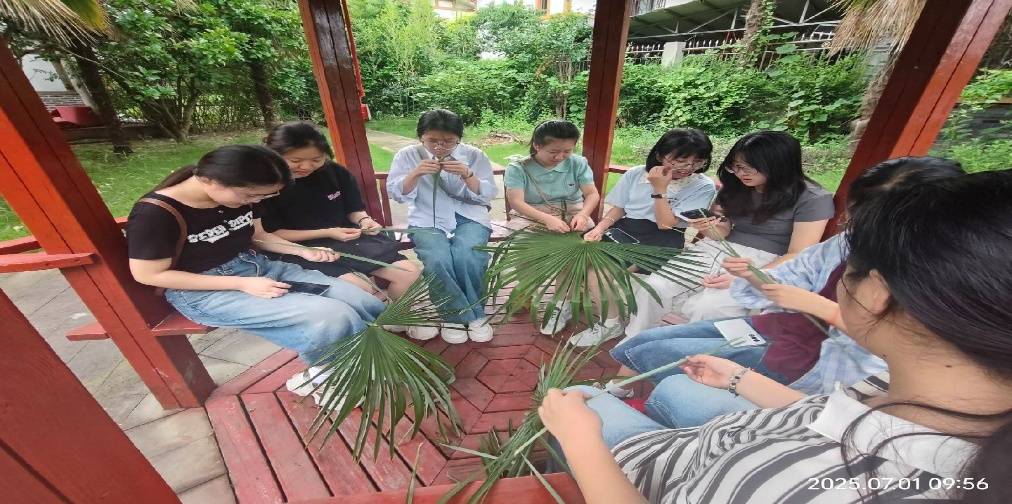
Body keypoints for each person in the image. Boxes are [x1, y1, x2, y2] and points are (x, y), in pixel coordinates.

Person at [540, 169, 1012, 504]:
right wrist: (742, 379)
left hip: (679, 473)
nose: (845, 241)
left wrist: (581, 441)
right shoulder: (932, 387)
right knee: (662, 372)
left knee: (578, 403)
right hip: (753, 417)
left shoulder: (805, 484)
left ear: (877, 294)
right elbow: (836, 413)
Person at [606, 157, 965, 430]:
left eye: (867, 217)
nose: (851, 224)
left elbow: (894, 356)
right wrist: (753, 276)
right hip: (775, 328)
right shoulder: (847, 241)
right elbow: (791, 274)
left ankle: (663, 411)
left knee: (669, 371)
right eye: (855, 213)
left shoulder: (940, 276)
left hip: (809, 364)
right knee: (640, 345)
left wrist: (822, 308)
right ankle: (639, 396)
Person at [126, 145, 385, 405]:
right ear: (209, 180)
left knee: (357, 296)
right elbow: (149, 274)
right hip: (203, 291)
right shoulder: (155, 214)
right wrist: (241, 283)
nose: (255, 202)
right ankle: (327, 379)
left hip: (254, 266)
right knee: (329, 316)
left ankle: (360, 364)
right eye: (250, 195)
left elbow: (259, 237)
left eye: (263, 196)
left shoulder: (243, 196)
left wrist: (304, 252)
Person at [622, 130, 835, 341]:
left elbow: (798, 253)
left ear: (778, 164)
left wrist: (750, 275)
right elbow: (719, 234)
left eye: (748, 167)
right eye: (736, 166)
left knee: (709, 307)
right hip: (713, 249)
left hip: (764, 261)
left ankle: (690, 352)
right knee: (654, 288)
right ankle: (633, 342)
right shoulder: (736, 186)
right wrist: (708, 226)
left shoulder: (812, 198)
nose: (741, 173)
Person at [258, 122, 436, 341]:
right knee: (360, 290)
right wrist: (328, 232)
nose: (306, 166)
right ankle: (364, 334)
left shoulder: (334, 172)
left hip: (345, 237)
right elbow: (268, 235)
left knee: (409, 273)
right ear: (274, 154)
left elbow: (354, 209)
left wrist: (364, 220)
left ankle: (393, 317)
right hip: (298, 248)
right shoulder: (264, 185)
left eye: (316, 159)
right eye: (295, 161)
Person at [569, 128, 716, 346]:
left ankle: (610, 324)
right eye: (681, 161)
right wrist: (599, 228)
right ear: (660, 155)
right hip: (627, 229)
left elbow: (665, 224)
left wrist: (659, 189)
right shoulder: (636, 173)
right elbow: (619, 208)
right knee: (576, 255)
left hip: (662, 239)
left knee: (597, 272)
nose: (688, 168)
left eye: (697, 162)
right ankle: (570, 304)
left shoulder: (702, 185)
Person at [386, 109, 497, 344]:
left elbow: (488, 193)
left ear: (459, 138)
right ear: (421, 137)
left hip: (470, 216)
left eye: (448, 141)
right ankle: (456, 316)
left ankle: (474, 314)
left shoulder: (474, 155)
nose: (439, 147)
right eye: (432, 140)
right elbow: (397, 193)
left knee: (468, 256)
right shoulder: (407, 155)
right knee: (438, 259)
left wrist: (468, 175)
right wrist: (415, 174)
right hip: (426, 218)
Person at [504, 119, 601, 335]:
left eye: (567, 151)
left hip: (572, 213)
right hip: (533, 215)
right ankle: (526, 287)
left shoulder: (578, 163)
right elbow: (517, 202)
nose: (560, 157)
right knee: (524, 247)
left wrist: (584, 215)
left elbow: (592, 194)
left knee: (576, 250)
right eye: (553, 152)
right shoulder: (518, 168)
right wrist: (546, 219)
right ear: (537, 145)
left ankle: (564, 299)